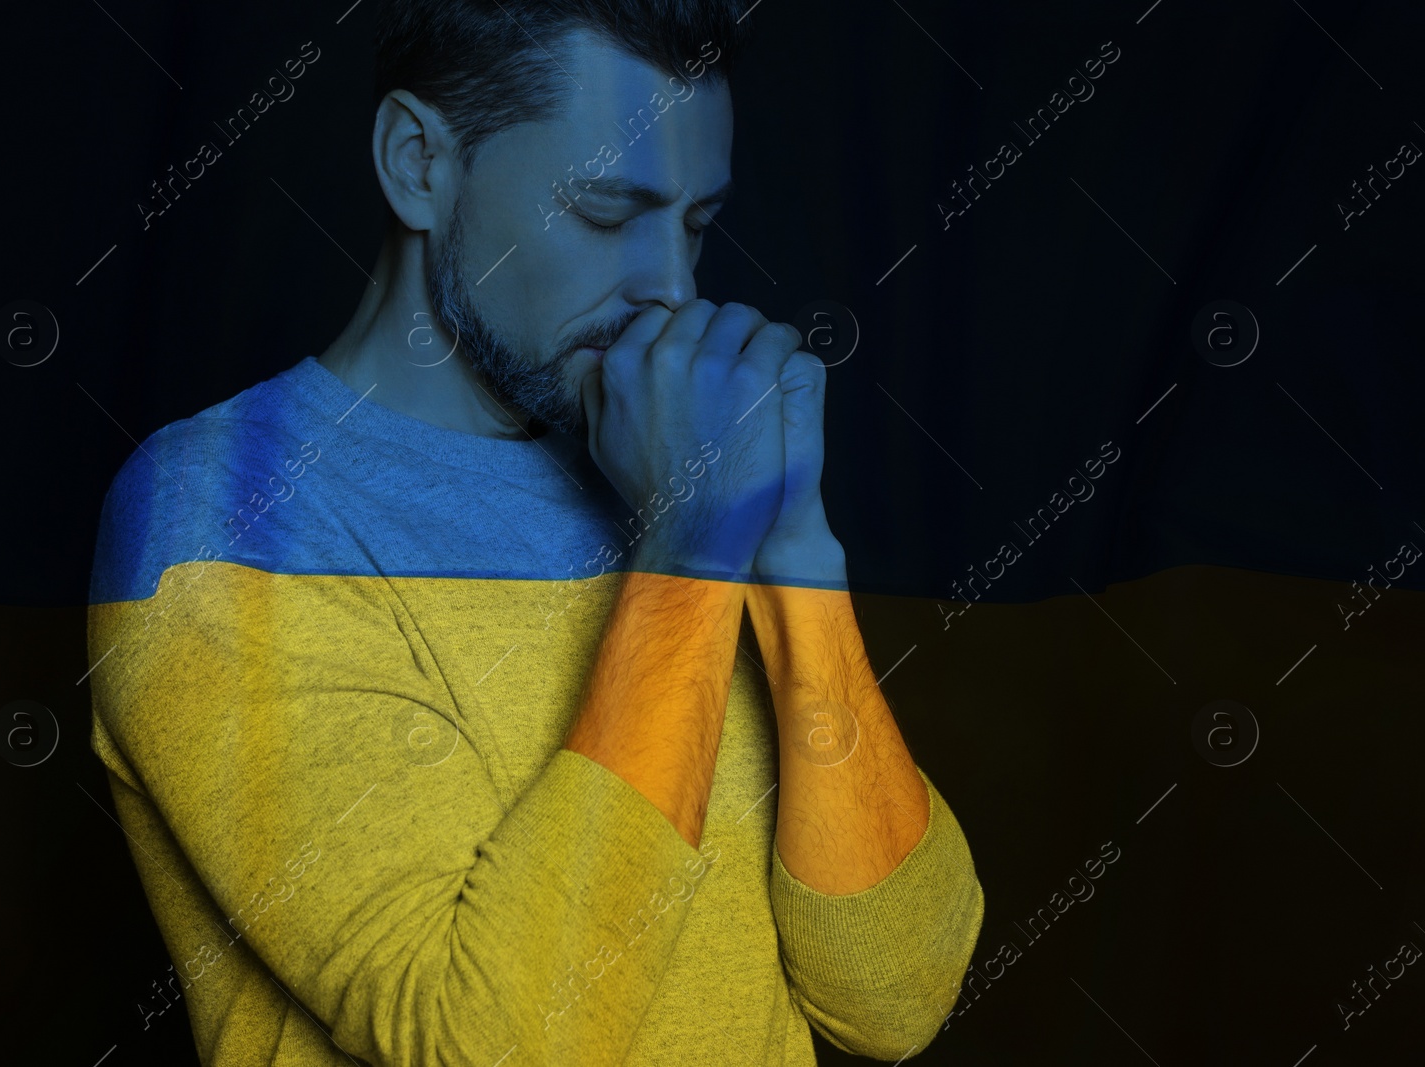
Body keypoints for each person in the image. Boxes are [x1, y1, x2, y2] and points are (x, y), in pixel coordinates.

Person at [86, 1, 984, 1063]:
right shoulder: (220, 515)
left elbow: (893, 996)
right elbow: (499, 1044)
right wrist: (691, 549)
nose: (672, 287)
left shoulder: (672, 476)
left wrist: (788, 546)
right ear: (419, 161)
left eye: (695, 224)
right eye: (607, 212)